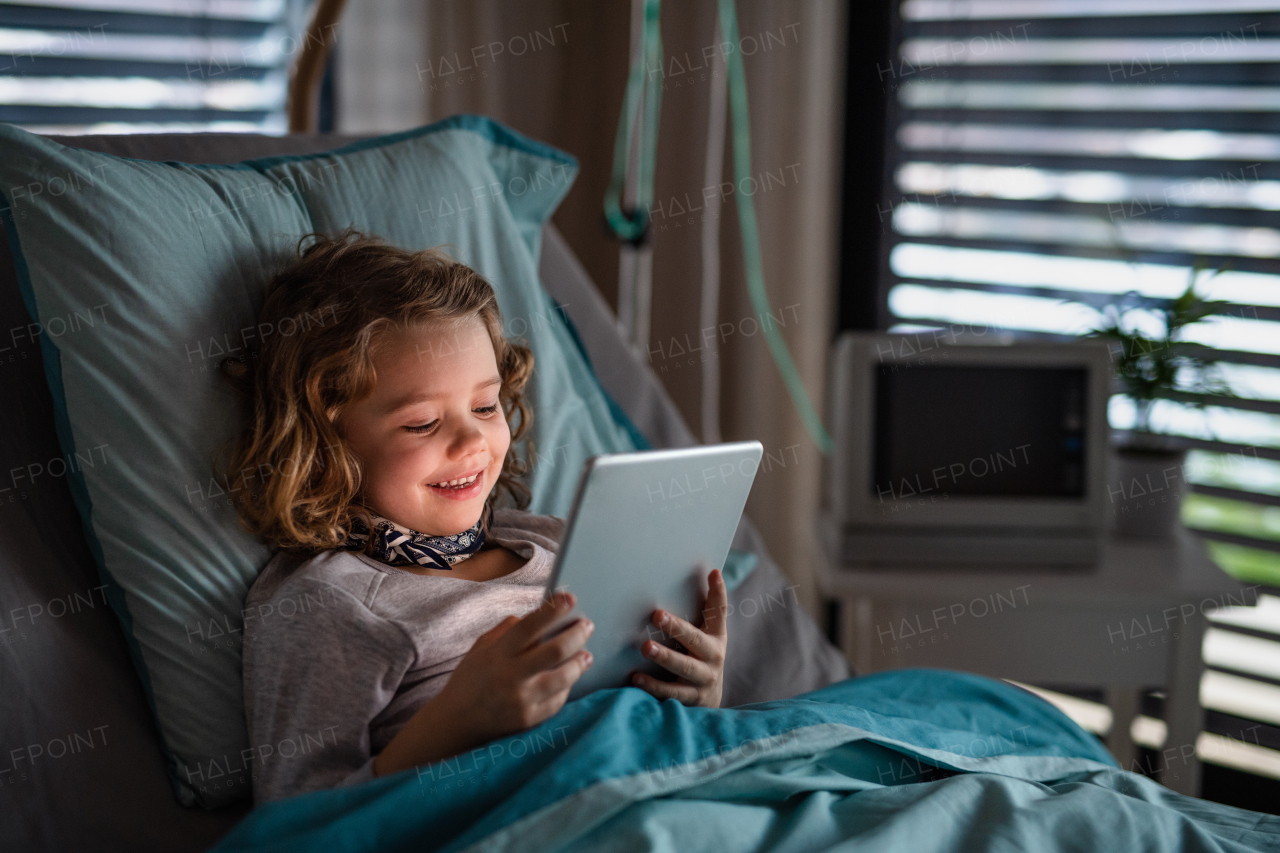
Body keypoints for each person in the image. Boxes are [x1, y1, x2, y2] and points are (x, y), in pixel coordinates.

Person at [222, 230, 728, 804]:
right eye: (421, 423)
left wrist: (698, 693)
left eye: (485, 406)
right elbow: (298, 829)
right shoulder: (326, 604)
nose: (473, 441)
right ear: (325, 443)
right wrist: (456, 723)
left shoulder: (559, 540)